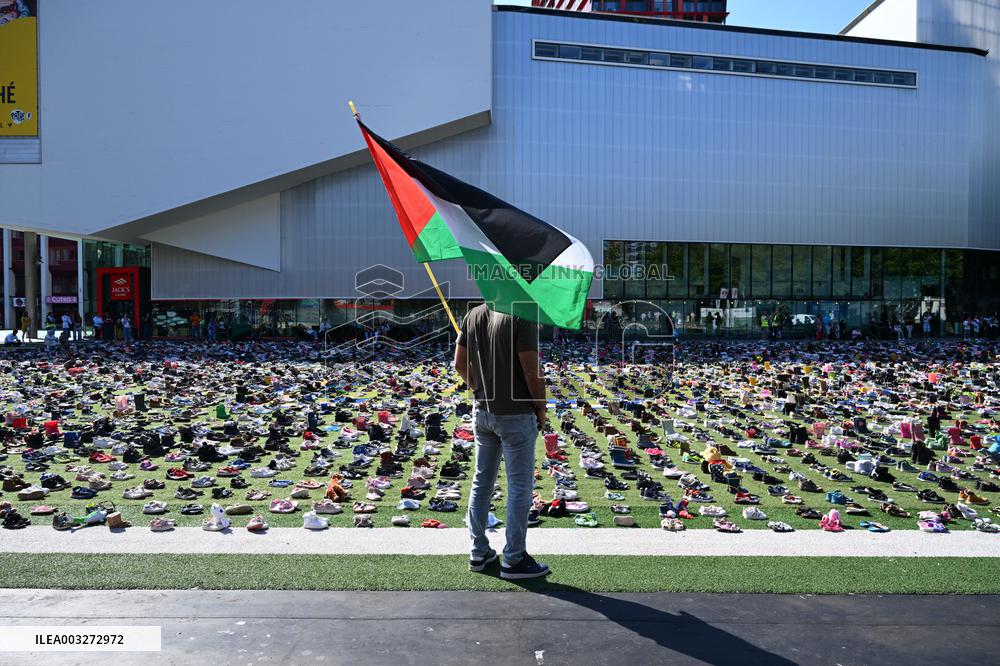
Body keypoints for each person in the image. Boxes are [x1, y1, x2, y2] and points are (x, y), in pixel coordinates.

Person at [454, 304, 550, 581]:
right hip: (516, 413)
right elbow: (532, 372)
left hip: (482, 411)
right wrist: (541, 409)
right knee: (519, 486)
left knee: (481, 482)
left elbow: (459, 364)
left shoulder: (473, 314)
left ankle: (478, 551)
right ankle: (514, 558)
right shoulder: (524, 313)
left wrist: (478, 388)